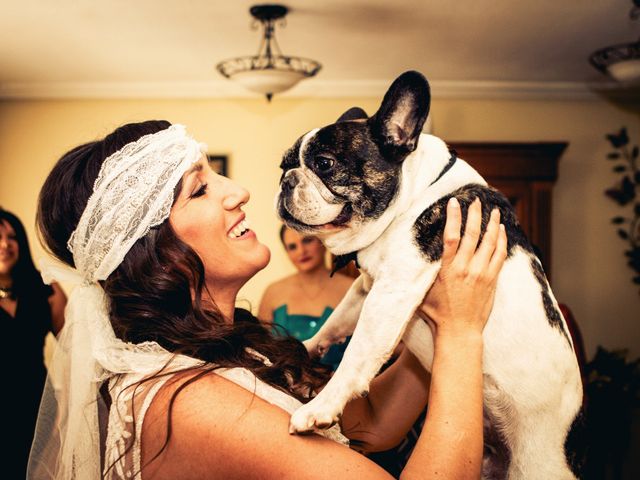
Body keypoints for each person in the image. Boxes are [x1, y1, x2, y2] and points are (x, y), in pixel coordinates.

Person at [29, 120, 507, 479]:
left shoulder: (233, 350)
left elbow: (371, 423)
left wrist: (427, 299)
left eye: (217, 175)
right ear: (156, 255)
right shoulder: (188, 403)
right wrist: (461, 332)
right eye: (200, 190)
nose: (239, 192)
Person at [0, 208, 66, 475]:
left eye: (12, 237)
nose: (5, 244)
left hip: (39, 409)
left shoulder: (46, 289)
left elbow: (75, 348)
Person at [258, 225, 354, 370]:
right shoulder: (273, 292)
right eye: (292, 246)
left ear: (322, 240)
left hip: (336, 387)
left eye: (307, 241)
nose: (301, 251)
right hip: (281, 388)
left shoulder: (352, 289)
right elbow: (260, 349)